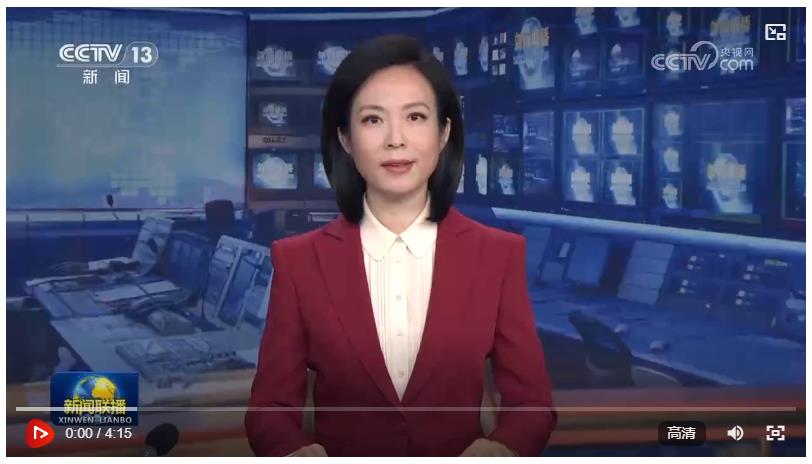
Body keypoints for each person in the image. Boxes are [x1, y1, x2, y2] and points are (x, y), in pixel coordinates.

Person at [245, 34, 556, 457]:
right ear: (346, 138)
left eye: (415, 117)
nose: (396, 139)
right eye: (373, 119)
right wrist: (294, 451)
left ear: (444, 132)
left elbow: (533, 405)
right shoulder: (298, 262)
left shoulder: (498, 255)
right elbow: (268, 410)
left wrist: (502, 448)